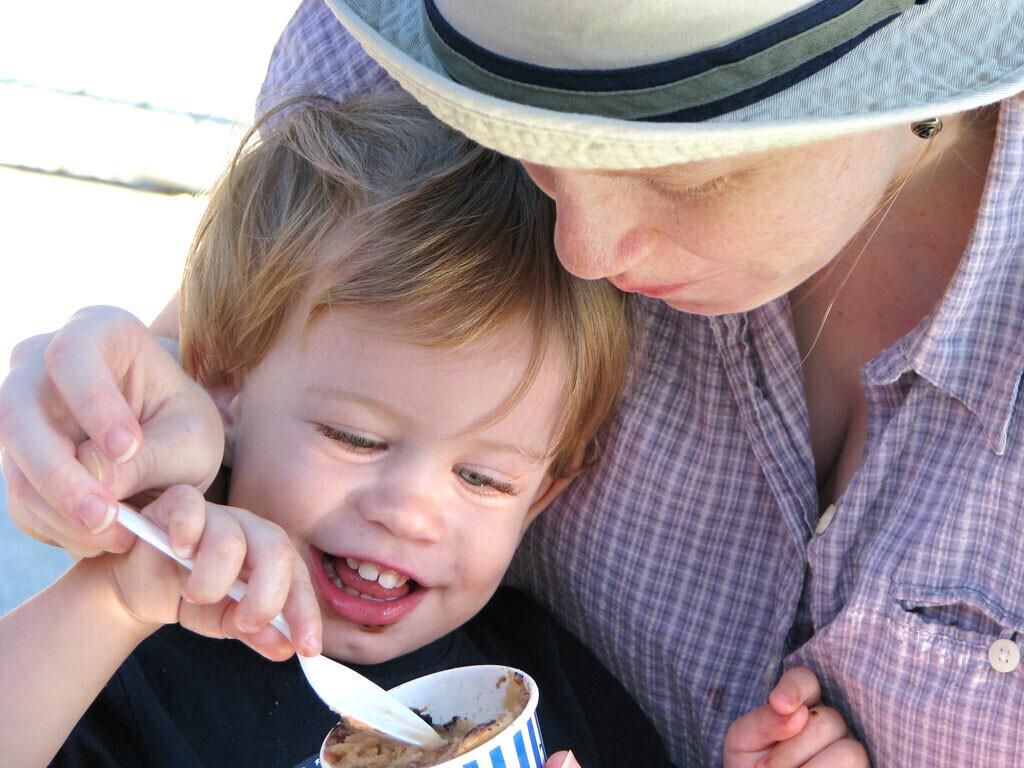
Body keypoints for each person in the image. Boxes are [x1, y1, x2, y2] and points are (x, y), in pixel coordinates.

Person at [3, 1, 1024, 765]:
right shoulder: (146, 647)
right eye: (524, 142)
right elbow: (211, 346)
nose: (577, 246)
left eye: (679, 171)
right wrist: (116, 424)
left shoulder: (553, 690)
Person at [0, 93, 672, 768]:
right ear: (225, 385)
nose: (410, 514)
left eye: (482, 478)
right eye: (355, 438)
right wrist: (111, 602)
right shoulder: (129, 646)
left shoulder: (549, 685)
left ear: (545, 494)